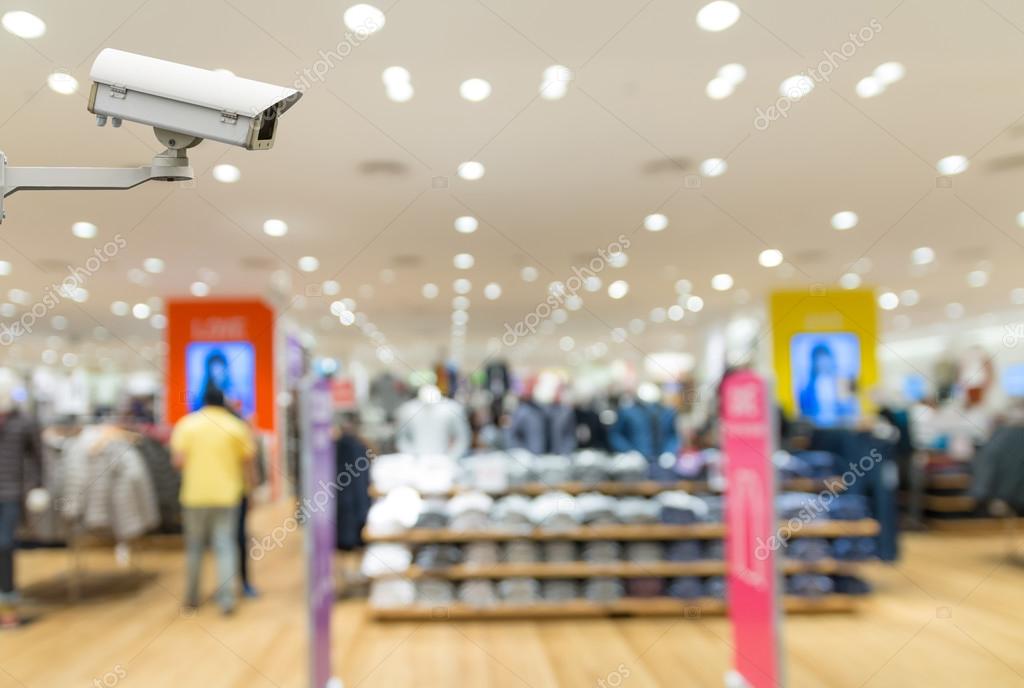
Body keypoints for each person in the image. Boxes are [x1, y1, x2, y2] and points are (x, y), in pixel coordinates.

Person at [171, 387, 256, 615]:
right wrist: (251, 490)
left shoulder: (186, 425)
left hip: (194, 495)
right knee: (225, 545)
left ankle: (191, 599)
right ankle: (226, 599)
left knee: (195, 547)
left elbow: (178, 461)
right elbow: (247, 462)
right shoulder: (235, 427)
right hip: (228, 495)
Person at [0, 390, 40, 629]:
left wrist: (38, 485)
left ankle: (8, 607)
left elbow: (37, 456)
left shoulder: (24, 421)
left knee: (5, 546)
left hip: (11, 494)